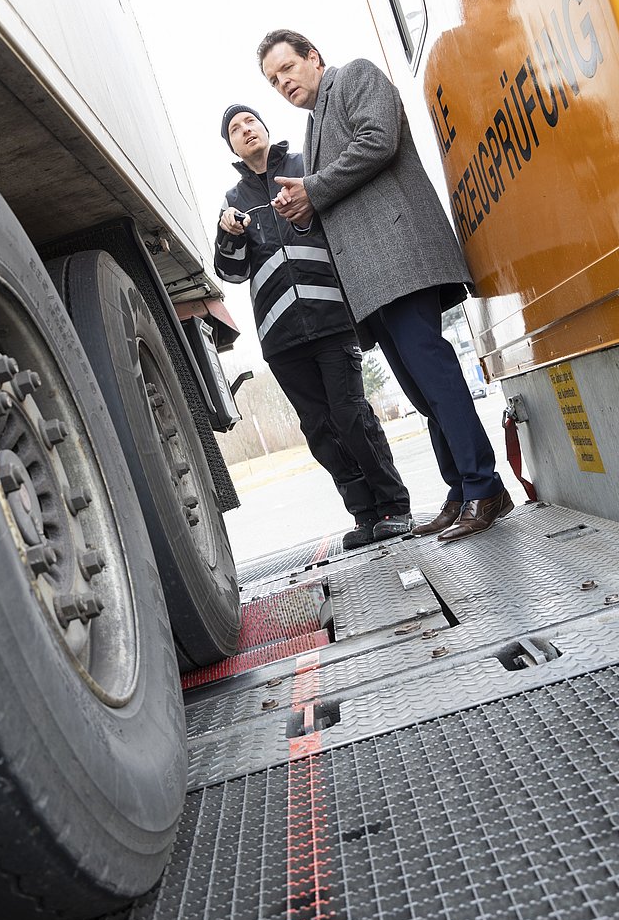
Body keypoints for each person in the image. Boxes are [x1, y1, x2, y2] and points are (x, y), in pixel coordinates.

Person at [256, 31, 513, 542]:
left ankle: (486, 486)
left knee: (434, 375)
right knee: (420, 390)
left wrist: (314, 188)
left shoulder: (354, 77)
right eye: (272, 79)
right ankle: (462, 488)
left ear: (314, 58)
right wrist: (303, 209)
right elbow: (336, 195)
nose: (282, 82)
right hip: (372, 278)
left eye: (287, 68)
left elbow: (379, 141)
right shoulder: (313, 128)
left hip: (400, 258)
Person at [215, 103, 412, 549]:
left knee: (351, 415)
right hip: (280, 336)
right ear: (230, 145)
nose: (245, 130)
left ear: (265, 128)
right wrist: (228, 234)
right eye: (235, 129)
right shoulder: (233, 202)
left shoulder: (306, 165)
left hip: (331, 318)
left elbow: (341, 225)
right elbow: (231, 273)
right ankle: (364, 514)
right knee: (319, 429)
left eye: (250, 121)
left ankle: (394, 506)